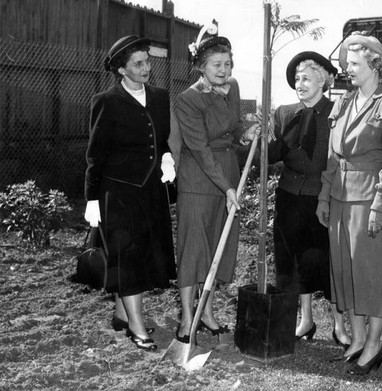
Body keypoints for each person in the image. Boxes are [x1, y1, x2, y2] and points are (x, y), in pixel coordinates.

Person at [316, 32, 382, 375]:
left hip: (368, 199)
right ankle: (355, 340)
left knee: (373, 276)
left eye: (352, 64)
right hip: (339, 197)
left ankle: (373, 345)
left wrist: (381, 205)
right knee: (345, 273)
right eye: (345, 64)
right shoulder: (342, 103)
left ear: (373, 64)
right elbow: (331, 156)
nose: (346, 70)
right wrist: (325, 196)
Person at [84, 35, 177, 351]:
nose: (146, 67)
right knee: (130, 257)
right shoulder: (106, 102)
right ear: (122, 70)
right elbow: (96, 155)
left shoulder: (161, 97)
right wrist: (92, 198)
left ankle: (122, 316)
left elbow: (162, 140)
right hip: (119, 193)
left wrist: (166, 159)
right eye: (138, 63)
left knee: (147, 254)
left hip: (152, 190)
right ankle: (137, 326)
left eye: (147, 61)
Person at [173, 26, 259, 342]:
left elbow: (233, 126)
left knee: (218, 247)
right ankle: (185, 319)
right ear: (201, 67)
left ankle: (206, 313)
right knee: (193, 248)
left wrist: (244, 133)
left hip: (228, 171)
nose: (224, 70)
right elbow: (199, 148)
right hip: (198, 177)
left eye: (227, 63)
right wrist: (227, 188)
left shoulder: (232, 87)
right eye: (216, 65)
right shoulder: (188, 100)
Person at [268, 51, 350, 348]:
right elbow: (274, 153)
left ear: (323, 80)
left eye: (306, 78)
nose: (299, 84)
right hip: (289, 197)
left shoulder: (337, 112)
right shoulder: (284, 113)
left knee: (329, 262)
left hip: (324, 198)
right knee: (295, 261)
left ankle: (339, 325)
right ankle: (306, 319)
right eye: (296, 79)